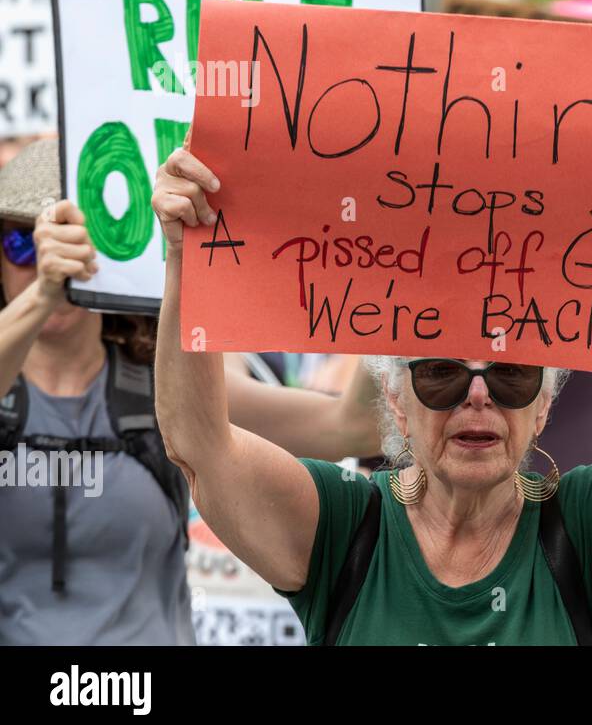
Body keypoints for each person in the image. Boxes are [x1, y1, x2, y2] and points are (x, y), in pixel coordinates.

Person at [150, 143, 592, 645]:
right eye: (441, 375)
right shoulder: (343, 526)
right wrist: (185, 257)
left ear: (544, 405)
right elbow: (200, 443)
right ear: (396, 401)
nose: (477, 398)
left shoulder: (583, 527)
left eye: (512, 377)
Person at [0, 138, 382, 645]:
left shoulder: (166, 386)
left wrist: (391, 273)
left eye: (80, 236)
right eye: (24, 244)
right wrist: (45, 295)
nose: (56, 259)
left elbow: (351, 427)